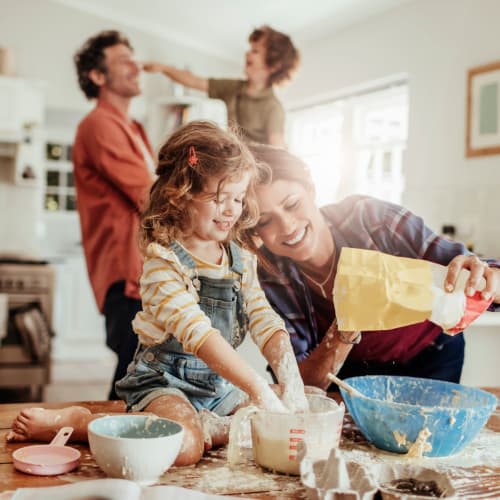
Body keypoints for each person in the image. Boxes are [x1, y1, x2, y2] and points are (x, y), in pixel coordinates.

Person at [8, 121, 308, 467]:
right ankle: (82, 422)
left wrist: (290, 377)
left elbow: (263, 317)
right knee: (184, 448)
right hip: (165, 384)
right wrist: (257, 387)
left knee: (294, 407)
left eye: (239, 198)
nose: (231, 209)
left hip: (217, 389)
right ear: (180, 194)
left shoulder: (240, 261)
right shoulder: (162, 265)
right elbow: (199, 335)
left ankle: (210, 426)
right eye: (219, 198)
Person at [242, 144, 500, 391]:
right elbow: (300, 384)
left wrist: (489, 279)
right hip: (351, 375)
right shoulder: (269, 276)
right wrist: (345, 326)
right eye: (266, 222)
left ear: (311, 190)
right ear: (255, 231)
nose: (287, 226)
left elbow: (487, 283)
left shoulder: (373, 220)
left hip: (430, 358)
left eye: (292, 204)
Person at [72, 30, 154, 399]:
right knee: (134, 379)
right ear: (98, 76)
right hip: (126, 275)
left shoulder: (133, 128)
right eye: (124, 60)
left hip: (140, 271)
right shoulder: (99, 124)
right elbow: (149, 195)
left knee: (138, 375)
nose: (135, 65)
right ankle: (105, 449)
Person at [143, 25, 299, 147]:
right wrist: (164, 68)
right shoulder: (232, 88)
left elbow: (277, 147)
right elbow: (195, 81)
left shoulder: (273, 108)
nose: (247, 53)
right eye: (250, 49)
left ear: (274, 66)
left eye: (255, 51)